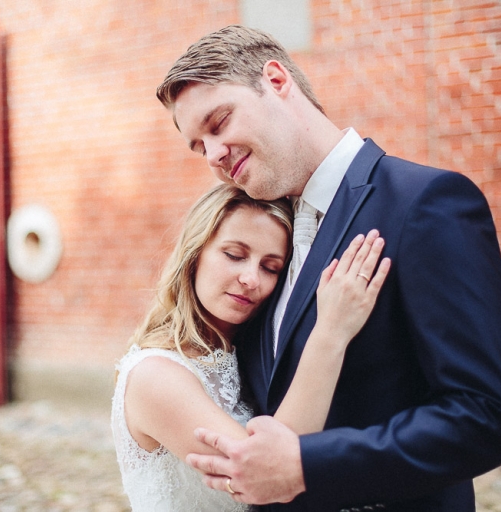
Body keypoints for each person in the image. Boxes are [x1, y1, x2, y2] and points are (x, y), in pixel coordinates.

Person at [156, 25, 501, 512]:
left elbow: (486, 417)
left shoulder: (426, 204)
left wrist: (308, 465)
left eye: (219, 122)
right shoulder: (265, 238)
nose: (214, 156)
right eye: (199, 146)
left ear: (276, 80)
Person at [111, 184, 390, 511]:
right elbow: (271, 474)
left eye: (270, 267)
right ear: (195, 252)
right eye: (234, 255)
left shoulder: (248, 353)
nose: (251, 279)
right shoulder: (154, 376)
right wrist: (331, 331)